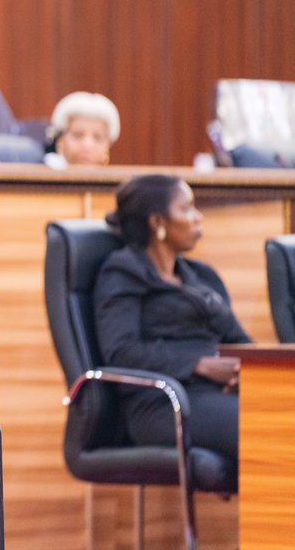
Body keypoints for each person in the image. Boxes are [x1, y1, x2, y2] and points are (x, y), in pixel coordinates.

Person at [94, 174, 251, 486]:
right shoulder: (123, 272)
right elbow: (121, 351)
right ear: (157, 222)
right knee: (267, 425)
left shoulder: (201, 276)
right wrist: (198, 364)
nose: (198, 217)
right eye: (187, 208)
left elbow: (240, 340)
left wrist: (244, 372)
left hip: (215, 394)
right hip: (163, 404)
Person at [44, 91, 120, 168]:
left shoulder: (122, 175)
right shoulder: (42, 171)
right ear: (60, 141)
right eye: (78, 135)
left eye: (97, 137)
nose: (87, 144)